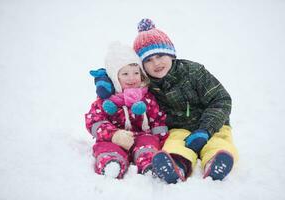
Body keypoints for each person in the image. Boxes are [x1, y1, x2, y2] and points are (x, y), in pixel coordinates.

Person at [132, 18, 238, 183]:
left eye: (160, 56)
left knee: (218, 142)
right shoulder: (147, 86)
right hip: (178, 129)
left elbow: (221, 100)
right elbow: (124, 83)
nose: (156, 63)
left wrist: (206, 130)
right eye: (148, 60)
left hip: (213, 125)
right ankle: (177, 165)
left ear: (171, 53)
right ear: (142, 66)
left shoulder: (194, 72)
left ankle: (215, 163)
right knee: (174, 144)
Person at [85, 42, 168, 179]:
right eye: (125, 74)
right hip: (115, 138)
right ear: (114, 77)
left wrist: (161, 137)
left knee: (148, 143)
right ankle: (111, 164)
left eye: (136, 73)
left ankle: (149, 164)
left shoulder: (146, 96)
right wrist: (113, 135)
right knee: (106, 147)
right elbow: (94, 121)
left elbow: (157, 118)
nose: (132, 78)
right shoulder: (106, 100)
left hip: (142, 136)